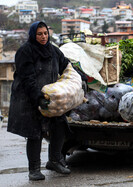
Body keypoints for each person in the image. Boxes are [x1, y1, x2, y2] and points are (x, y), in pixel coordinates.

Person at [7, 21, 71, 181]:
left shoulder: (53, 50)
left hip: (50, 97)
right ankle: (34, 169)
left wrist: (80, 77)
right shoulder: (25, 52)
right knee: (35, 132)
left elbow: (66, 65)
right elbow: (28, 79)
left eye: (45, 33)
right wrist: (38, 98)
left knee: (59, 125)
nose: (43, 37)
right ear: (33, 35)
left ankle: (55, 161)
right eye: (39, 34)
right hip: (28, 98)